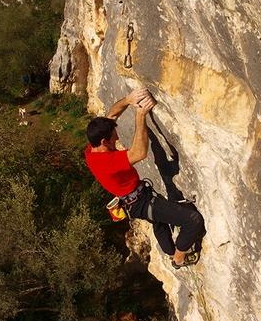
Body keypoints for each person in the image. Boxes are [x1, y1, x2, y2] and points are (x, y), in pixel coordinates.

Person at [85, 88, 205, 269]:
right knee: (192, 220)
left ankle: (171, 252)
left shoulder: (92, 149)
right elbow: (139, 153)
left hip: (134, 201)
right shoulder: (106, 162)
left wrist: (127, 99)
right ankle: (179, 258)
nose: (117, 138)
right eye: (114, 138)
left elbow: (112, 114)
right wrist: (140, 114)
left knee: (159, 221)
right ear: (104, 142)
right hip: (140, 202)